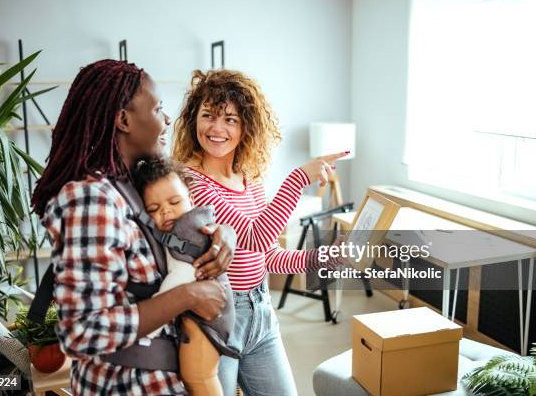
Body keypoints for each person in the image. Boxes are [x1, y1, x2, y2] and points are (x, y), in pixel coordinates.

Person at [31, 59, 237, 395]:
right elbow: (83, 331)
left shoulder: (131, 186)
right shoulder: (91, 200)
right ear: (124, 120)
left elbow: (169, 233)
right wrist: (187, 296)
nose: (167, 119)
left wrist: (222, 234)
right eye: (157, 109)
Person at [172, 69, 348, 396]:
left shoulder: (248, 179)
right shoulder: (190, 182)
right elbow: (253, 236)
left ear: (246, 127)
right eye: (207, 116)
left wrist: (316, 259)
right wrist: (297, 179)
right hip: (216, 322)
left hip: (261, 312)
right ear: (193, 118)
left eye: (230, 120)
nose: (216, 128)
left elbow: (263, 255)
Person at [131, 156, 239, 396]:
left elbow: (183, 274)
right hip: (206, 314)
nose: (166, 211)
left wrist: (152, 324)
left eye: (174, 201)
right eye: (154, 209)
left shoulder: (187, 228)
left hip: (209, 320)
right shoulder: (180, 226)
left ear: (191, 199)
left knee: (199, 376)